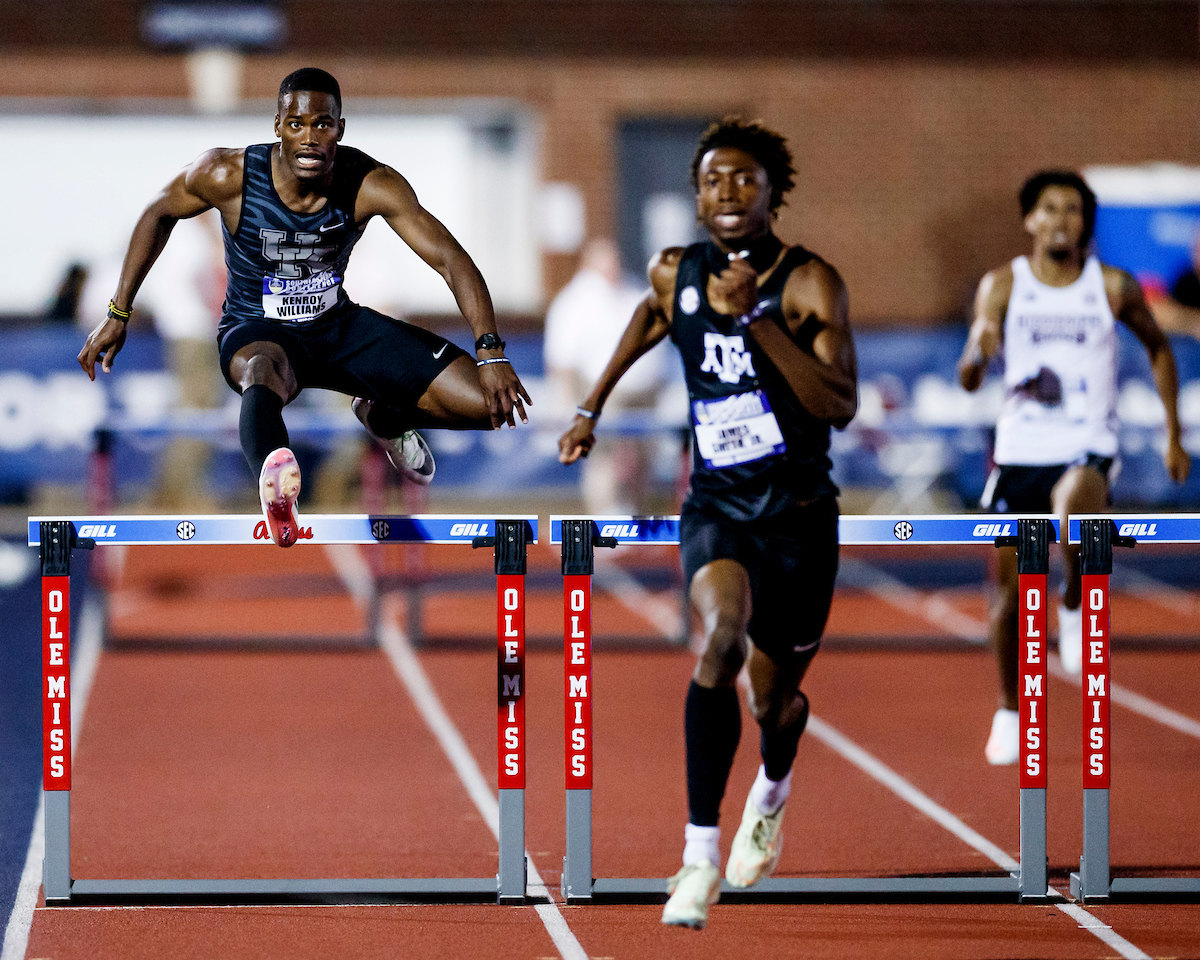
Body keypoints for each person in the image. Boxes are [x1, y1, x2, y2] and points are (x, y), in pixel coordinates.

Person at [559, 118, 857, 929]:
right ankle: (697, 858)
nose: (728, 193)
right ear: (695, 195)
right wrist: (594, 403)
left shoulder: (807, 285)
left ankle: (774, 788)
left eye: (745, 180)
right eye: (713, 180)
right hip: (717, 506)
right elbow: (651, 323)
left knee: (775, 705)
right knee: (720, 638)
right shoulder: (673, 272)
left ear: (772, 193)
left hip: (798, 518)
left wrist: (756, 317)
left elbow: (839, 402)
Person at [78, 67, 530, 546]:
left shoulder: (369, 182)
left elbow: (451, 260)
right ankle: (276, 483)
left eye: (322, 125)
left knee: (491, 404)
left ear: (340, 128)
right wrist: (118, 313)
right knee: (262, 370)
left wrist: (491, 352)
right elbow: (158, 213)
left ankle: (386, 416)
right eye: (297, 125)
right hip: (257, 329)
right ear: (277, 126)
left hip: (338, 328)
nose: (310, 138)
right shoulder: (229, 175)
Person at [959, 170, 1190, 766]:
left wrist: (1173, 433)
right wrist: (978, 352)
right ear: (1029, 220)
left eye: (1073, 210)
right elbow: (971, 364)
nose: (1061, 220)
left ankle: (1070, 601)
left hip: (1088, 442)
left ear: (1086, 223)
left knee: (1073, 506)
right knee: (1009, 596)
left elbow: (1159, 348)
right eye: (1049, 209)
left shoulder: (1110, 286)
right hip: (1019, 450)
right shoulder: (1004, 284)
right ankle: (1010, 708)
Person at [544, 237, 673, 513]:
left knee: (641, 462)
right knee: (603, 461)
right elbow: (561, 360)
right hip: (604, 396)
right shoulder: (574, 301)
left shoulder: (633, 289)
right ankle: (601, 526)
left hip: (645, 394)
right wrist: (572, 406)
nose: (613, 266)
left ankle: (639, 528)